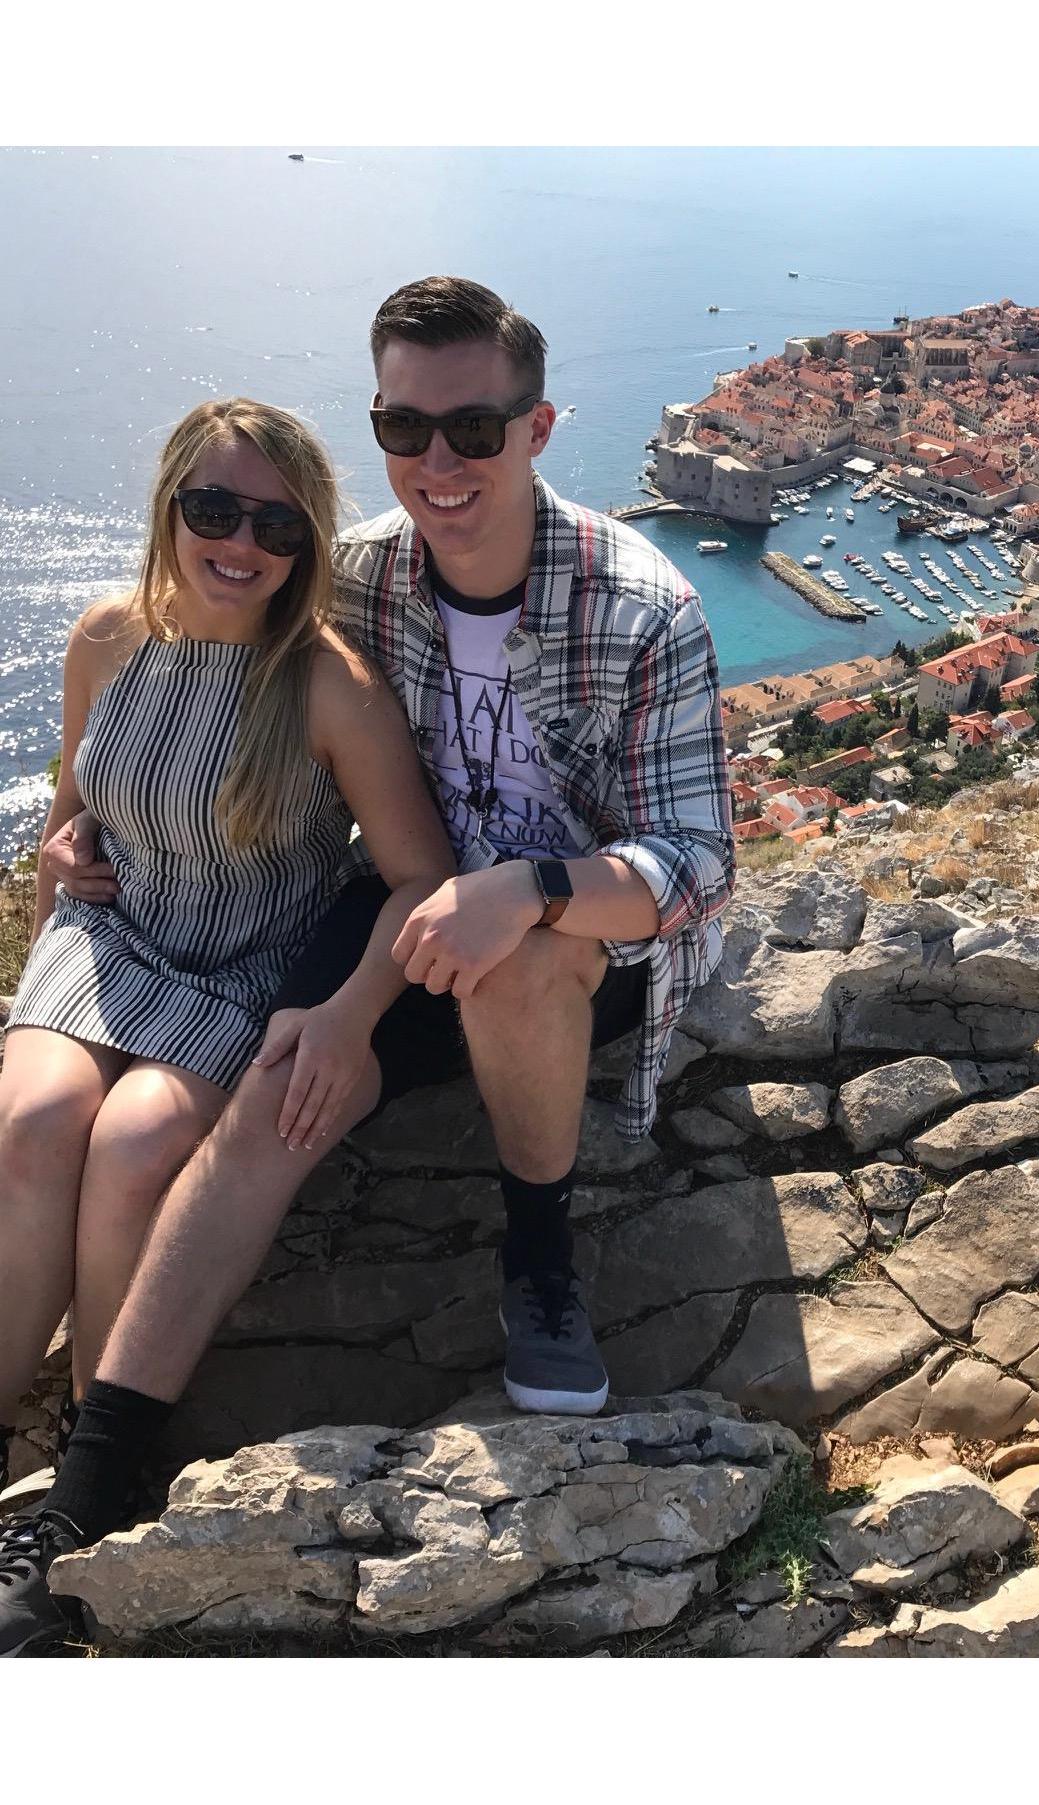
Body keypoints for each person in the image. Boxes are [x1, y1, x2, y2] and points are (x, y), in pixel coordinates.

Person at [1, 279, 735, 1657]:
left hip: (578, 929)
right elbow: (221, 630)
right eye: (406, 426)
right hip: (403, 919)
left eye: (474, 428)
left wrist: (529, 888)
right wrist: (87, 833)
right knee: (281, 1090)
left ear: (537, 429)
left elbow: (697, 861)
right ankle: (87, 1498)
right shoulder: (363, 570)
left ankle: (538, 1246)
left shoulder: (642, 607)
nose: (438, 462)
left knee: (515, 961)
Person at [0, 397, 454, 1654]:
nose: (241, 542)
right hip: (107, 941)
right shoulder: (106, 637)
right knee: (35, 1115)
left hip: (243, 963)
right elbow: (70, 810)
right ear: (170, 508)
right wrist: (58, 855)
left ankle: (89, 1472)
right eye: (214, 508)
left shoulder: (327, 686)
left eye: (276, 525)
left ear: (306, 544)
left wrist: (350, 1012)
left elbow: (418, 876)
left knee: (138, 1139)